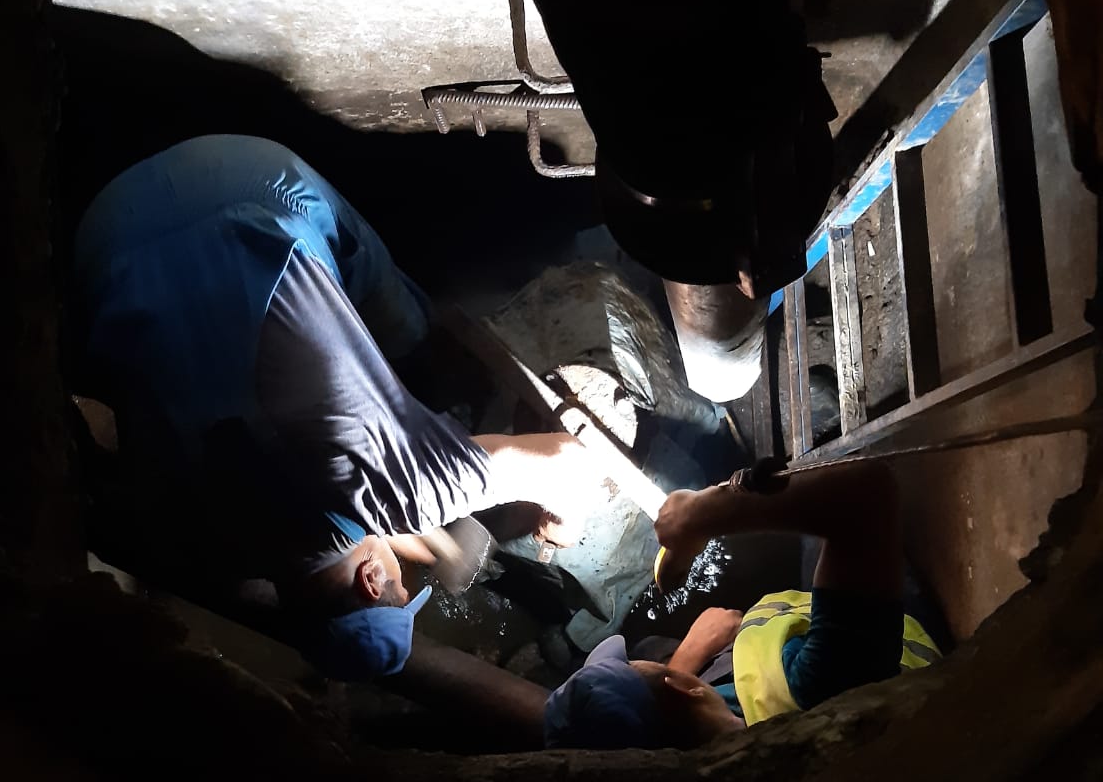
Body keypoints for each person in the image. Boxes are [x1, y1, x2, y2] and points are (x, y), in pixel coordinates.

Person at [71, 133, 591, 678]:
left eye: (400, 585)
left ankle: (418, 331)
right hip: (105, 241)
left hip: (234, 187)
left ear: (371, 578)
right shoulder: (206, 548)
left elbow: (571, 461)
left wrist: (563, 518)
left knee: (402, 317)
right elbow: (321, 515)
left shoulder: (402, 491)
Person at [543, 458, 941, 749]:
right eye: (630, 666)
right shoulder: (816, 686)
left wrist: (685, 659)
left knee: (650, 645)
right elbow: (866, 491)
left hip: (770, 649)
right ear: (685, 690)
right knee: (819, 489)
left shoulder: (710, 755)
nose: (635, 661)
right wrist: (699, 515)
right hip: (896, 643)